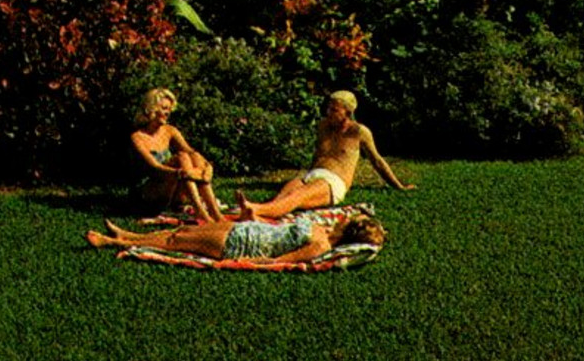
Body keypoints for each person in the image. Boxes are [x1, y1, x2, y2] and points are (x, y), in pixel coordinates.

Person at [234, 91, 415, 220]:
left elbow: (377, 161)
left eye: (334, 110)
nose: (328, 113)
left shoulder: (359, 132)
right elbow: (318, 154)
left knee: (296, 198)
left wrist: (399, 186)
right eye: (328, 108)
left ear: (348, 112)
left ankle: (255, 209)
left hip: (333, 182)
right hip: (312, 175)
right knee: (284, 194)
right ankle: (258, 215)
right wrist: (306, 176)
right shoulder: (323, 126)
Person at [85, 213, 387, 265]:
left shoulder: (321, 245)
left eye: (354, 220)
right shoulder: (324, 228)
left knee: (176, 244)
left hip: (240, 245)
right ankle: (130, 235)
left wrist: (243, 262)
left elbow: (281, 260)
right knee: (182, 233)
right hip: (243, 230)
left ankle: (112, 243)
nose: (349, 216)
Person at [128, 88, 224, 223]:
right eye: (164, 108)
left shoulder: (170, 131)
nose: (168, 113)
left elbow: (191, 152)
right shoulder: (137, 137)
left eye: (169, 109)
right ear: (151, 109)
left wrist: (207, 167)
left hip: (172, 187)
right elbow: (155, 167)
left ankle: (215, 212)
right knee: (181, 157)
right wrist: (182, 173)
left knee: (192, 156)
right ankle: (199, 211)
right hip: (149, 192)